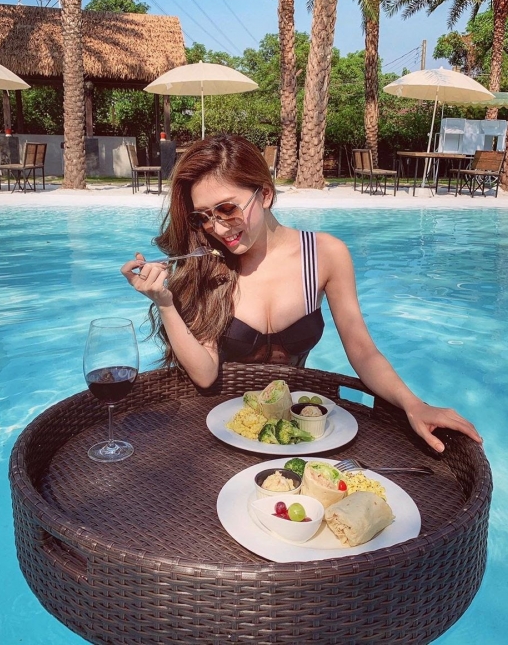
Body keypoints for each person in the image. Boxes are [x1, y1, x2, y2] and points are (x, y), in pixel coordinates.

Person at [121, 134, 482, 453]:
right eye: (203, 217)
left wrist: (413, 404)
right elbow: (204, 374)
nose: (217, 227)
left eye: (227, 209)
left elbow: (362, 351)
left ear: (265, 194)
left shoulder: (324, 255)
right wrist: (165, 303)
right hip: (225, 428)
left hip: (297, 432)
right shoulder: (210, 264)